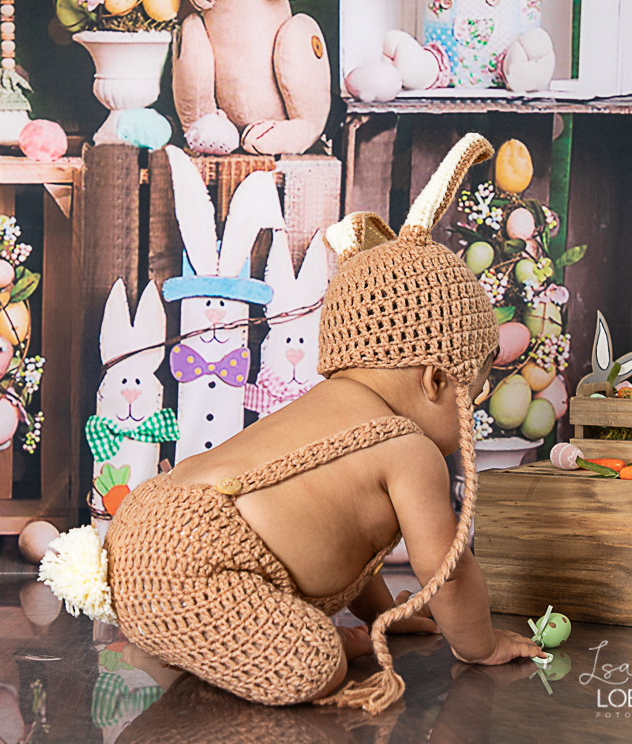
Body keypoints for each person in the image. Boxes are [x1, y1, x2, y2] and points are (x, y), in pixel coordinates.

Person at [74, 133, 545, 715]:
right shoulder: (408, 449)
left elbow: (355, 550)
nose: (468, 413)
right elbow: (447, 569)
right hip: (198, 559)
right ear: (434, 381)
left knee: (255, 614)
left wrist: (387, 615)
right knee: (318, 664)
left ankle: (182, 640)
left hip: (143, 524)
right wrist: (481, 644)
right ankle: (235, 647)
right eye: (468, 396)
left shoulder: (324, 405)